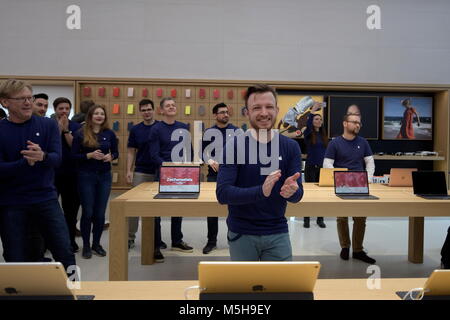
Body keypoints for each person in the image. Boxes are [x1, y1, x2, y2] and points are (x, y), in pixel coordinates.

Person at [216, 84, 303, 261]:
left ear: (277, 110)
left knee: (280, 288)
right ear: (247, 113)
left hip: (278, 231)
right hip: (242, 232)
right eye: (256, 107)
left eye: (269, 107)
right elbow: (223, 194)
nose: (264, 112)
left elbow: (297, 195)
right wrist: (261, 192)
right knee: (243, 288)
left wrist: (292, 192)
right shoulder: (234, 146)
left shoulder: (291, 147)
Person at [0, 79, 75, 270]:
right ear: (5, 102)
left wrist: (42, 156)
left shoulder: (48, 125)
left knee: (64, 250)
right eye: (21, 99)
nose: (27, 103)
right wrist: (24, 163)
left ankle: (74, 290)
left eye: (29, 98)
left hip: (45, 198)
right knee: (15, 256)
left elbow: (57, 159)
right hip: (11, 202)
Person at [323, 111, 376, 264]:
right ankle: (345, 247)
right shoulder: (335, 143)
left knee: (360, 218)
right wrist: (336, 178)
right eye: (354, 122)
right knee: (342, 217)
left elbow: (370, 162)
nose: (357, 125)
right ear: (345, 124)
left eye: (359, 122)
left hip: (360, 183)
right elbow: (327, 163)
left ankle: (358, 250)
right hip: (342, 183)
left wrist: (369, 179)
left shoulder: (363, 142)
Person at [148, 97, 194, 261]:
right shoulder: (156, 129)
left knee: (178, 208)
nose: (171, 107)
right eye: (168, 106)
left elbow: (189, 150)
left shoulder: (183, 127)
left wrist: (189, 168)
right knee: (157, 212)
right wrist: (169, 167)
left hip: (181, 175)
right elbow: (154, 154)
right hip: (163, 174)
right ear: (161, 110)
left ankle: (176, 240)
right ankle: (155, 246)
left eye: (173, 105)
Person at [71, 104, 118, 259]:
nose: (99, 116)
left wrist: (110, 157)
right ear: (90, 116)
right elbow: (73, 157)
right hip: (86, 176)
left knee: (99, 213)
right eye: (96, 113)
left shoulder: (109, 133)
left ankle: (96, 244)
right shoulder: (80, 133)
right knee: (88, 212)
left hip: (104, 176)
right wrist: (89, 155)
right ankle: (86, 245)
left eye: (102, 114)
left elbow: (116, 153)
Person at [201, 102, 238, 254]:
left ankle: (234, 239)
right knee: (212, 210)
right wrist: (210, 161)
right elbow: (203, 153)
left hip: (233, 177)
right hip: (213, 176)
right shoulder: (209, 132)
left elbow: (242, 152)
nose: (226, 114)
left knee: (235, 209)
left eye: (227, 112)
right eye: (222, 112)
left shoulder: (236, 131)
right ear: (215, 115)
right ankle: (211, 241)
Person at [126, 99, 160, 251]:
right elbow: (131, 151)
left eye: (149, 109)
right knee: (134, 207)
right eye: (144, 110)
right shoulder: (136, 130)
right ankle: (130, 237)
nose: (147, 112)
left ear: (154, 110)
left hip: (159, 172)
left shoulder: (160, 127)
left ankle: (155, 239)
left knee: (156, 209)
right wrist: (128, 170)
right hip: (141, 171)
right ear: (140, 112)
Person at [53, 97, 82, 253]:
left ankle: (71, 241)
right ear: (56, 110)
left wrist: (65, 130)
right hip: (53, 174)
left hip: (72, 174)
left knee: (70, 211)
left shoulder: (77, 126)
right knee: (51, 211)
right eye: (60, 108)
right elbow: (51, 144)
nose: (64, 111)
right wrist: (58, 129)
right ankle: (49, 242)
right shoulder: (49, 125)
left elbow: (74, 146)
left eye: (66, 108)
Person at [302, 103, 328, 228]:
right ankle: (306, 219)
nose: (318, 121)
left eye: (320, 119)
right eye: (316, 119)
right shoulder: (308, 133)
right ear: (312, 121)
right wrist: (312, 111)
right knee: (309, 194)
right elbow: (307, 125)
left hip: (322, 168)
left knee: (321, 195)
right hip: (310, 167)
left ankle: (320, 219)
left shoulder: (324, 136)